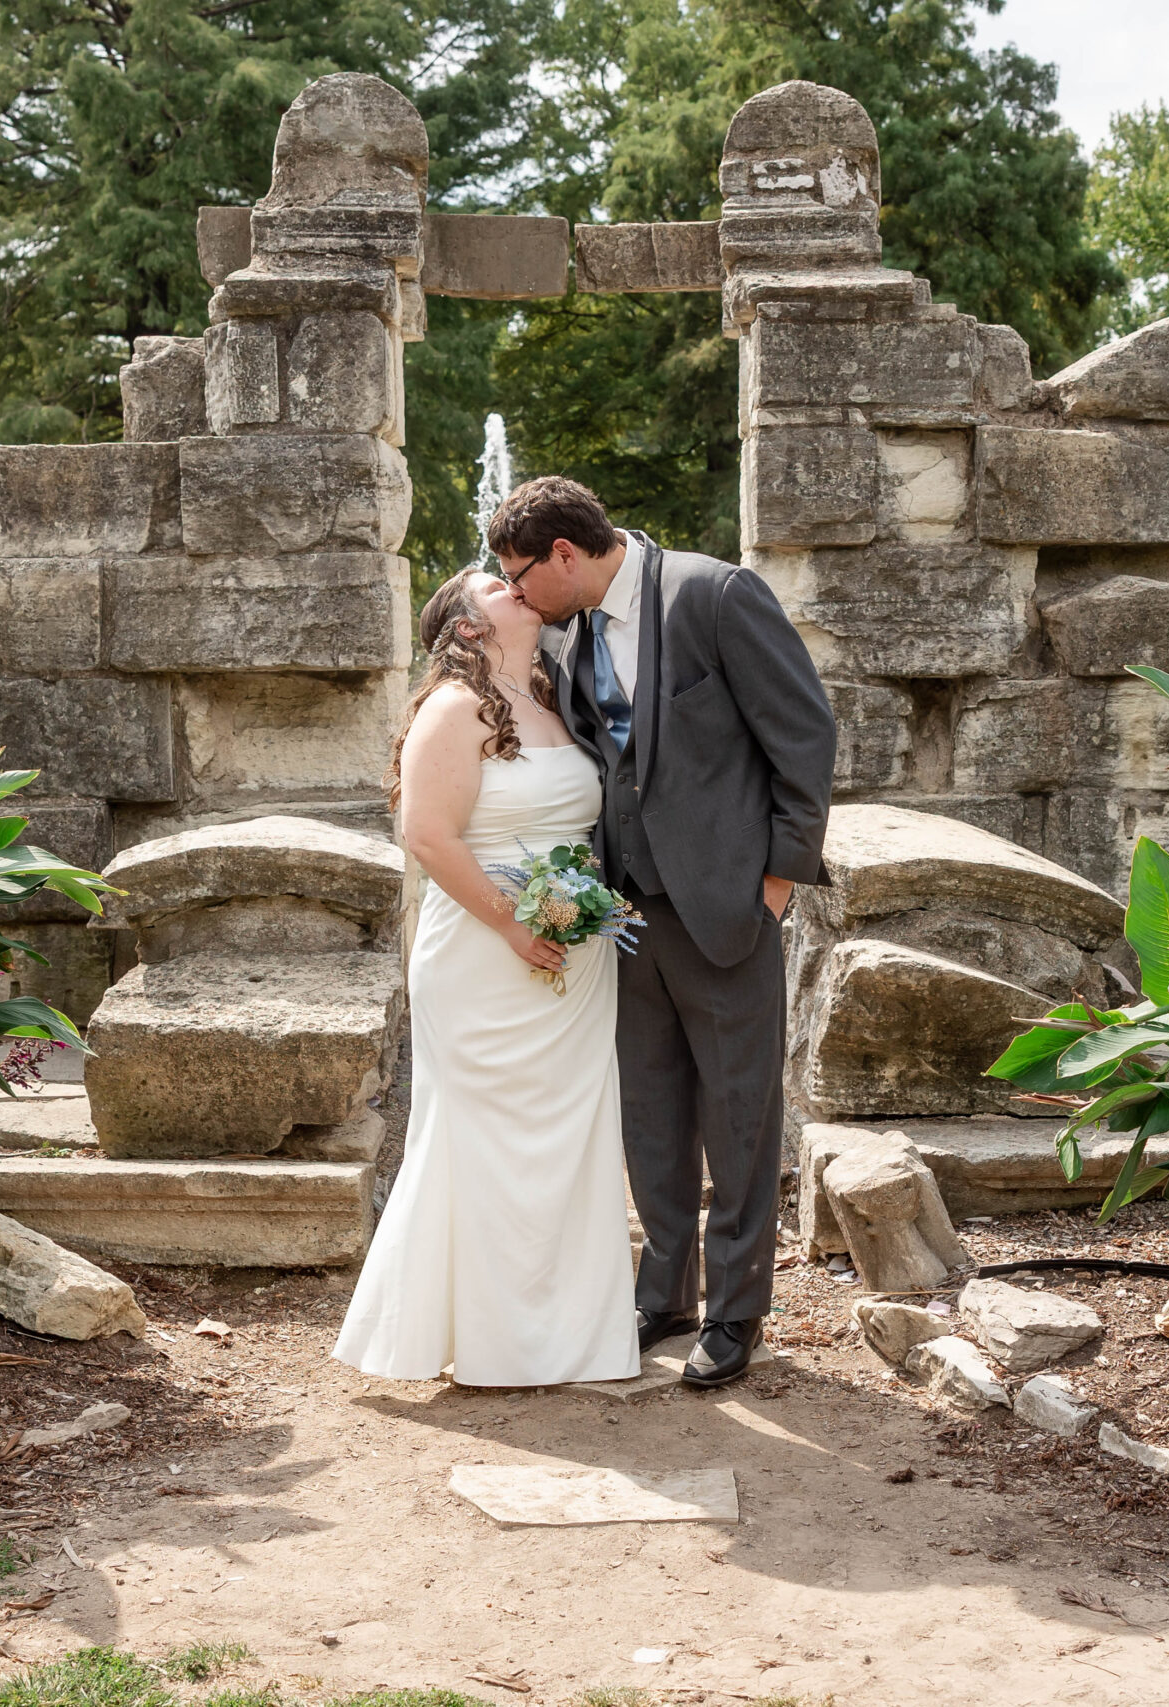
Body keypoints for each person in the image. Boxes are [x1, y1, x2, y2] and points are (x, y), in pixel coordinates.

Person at [490, 477, 837, 1389]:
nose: (517, 595)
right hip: (627, 915)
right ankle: (665, 1293)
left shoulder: (714, 594)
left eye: (521, 576)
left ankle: (735, 1312)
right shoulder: (567, 636)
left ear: (565, 554)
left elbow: (805, 737)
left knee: (739, 1119)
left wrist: (775, 885)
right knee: (651, 1117)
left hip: (729, 911)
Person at [332, 568, 641, 1386]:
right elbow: (427, 835)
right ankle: (486, 1337)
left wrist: (579, 908)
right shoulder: (453, 708)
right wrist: (510, 921)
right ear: (468, 628)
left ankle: (571, 1336)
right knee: (483, 1139)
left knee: (569, 1139)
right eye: (498, 587)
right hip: (481, 948)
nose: (517, 587)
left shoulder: (552, 693)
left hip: (576, 955)